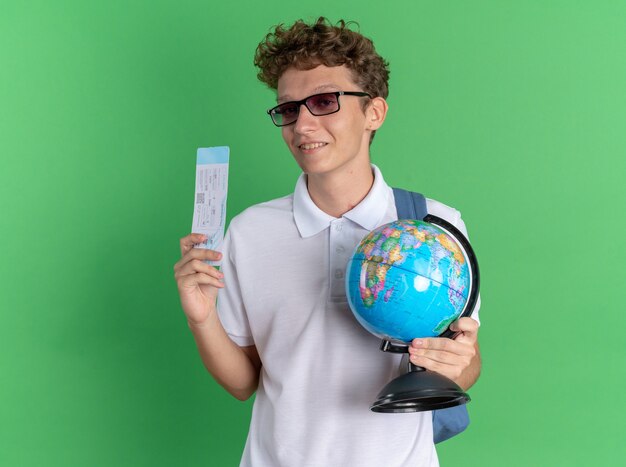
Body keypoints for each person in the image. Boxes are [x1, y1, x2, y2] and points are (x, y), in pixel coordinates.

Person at [174, 17, 481, 467]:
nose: (303, 125)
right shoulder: (249, 230)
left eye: (323, 102)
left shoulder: (436, 226)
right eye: (289, 109)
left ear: (373, 112)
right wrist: (202, 319)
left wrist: (458, 361)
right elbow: (243, 383)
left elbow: (465, 370)